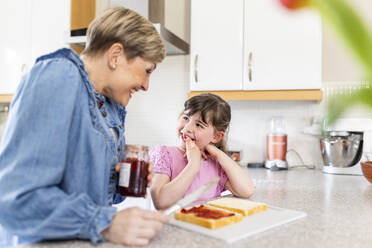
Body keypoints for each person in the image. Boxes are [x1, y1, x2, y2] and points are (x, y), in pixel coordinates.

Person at [0, 7, 169, 247]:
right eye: (147, 71)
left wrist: (122, 180)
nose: (146, 85)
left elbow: (89, 190)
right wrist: (106, 222)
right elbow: (16, 199)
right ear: (116, 55)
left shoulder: (109, 105)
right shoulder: (58, 75)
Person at [150, 93, 255, 210]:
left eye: (199, 125)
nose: (187, 128)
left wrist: (218, 153)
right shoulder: (164, 154)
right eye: (186, 118)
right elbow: (160, 201)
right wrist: (193, 165)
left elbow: (247, 190)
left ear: (216, 137)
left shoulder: (216, 165)